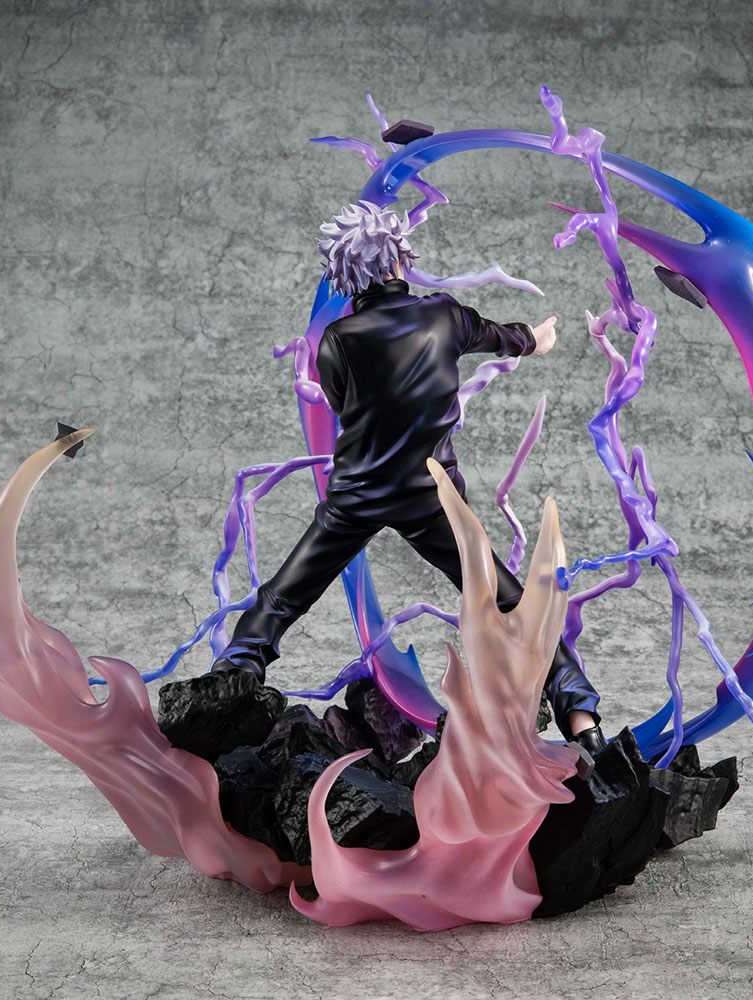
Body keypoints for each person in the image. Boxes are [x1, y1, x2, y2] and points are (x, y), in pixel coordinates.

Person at [211, 201, 606, 754]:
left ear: (346, 274)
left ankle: (231, 679)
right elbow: (500, 336)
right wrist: (534, 339)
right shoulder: (445, 317)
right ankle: (582, 720)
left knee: (282, 596)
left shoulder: (338, 340)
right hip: (432, 496)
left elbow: (343, 406)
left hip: (359, 493)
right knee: (513, 604)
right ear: (398, 258)